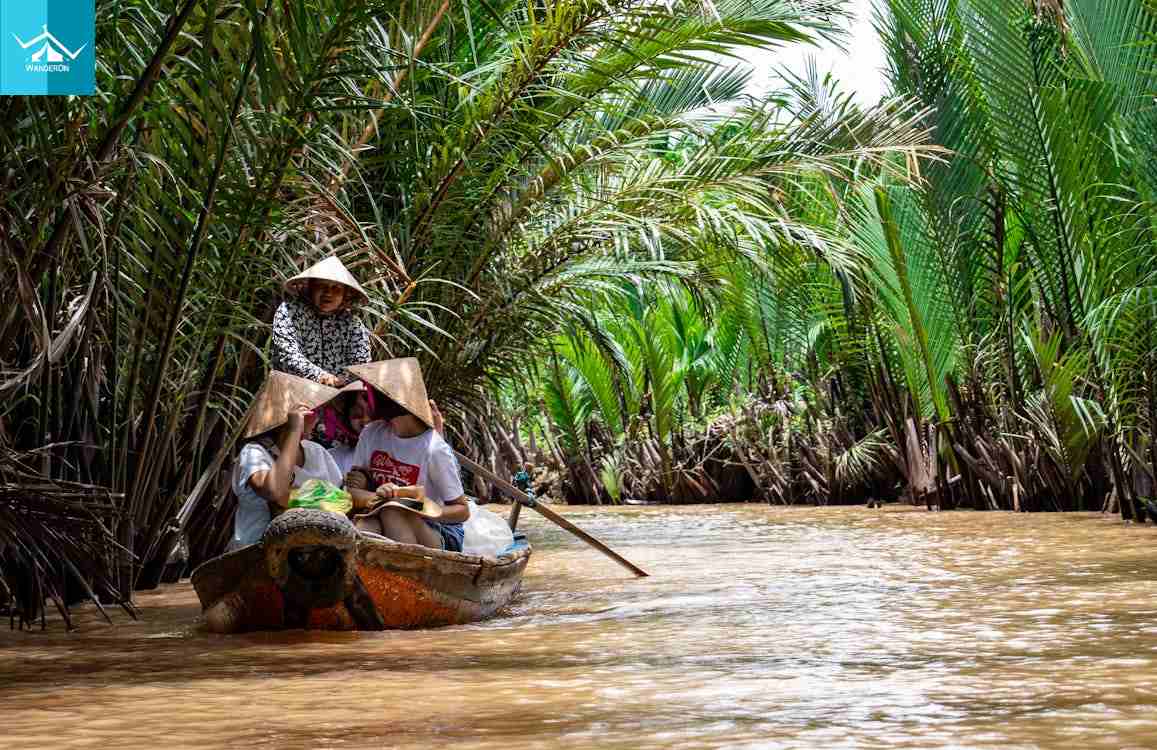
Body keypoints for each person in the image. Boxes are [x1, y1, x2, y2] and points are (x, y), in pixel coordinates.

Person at [343, 358, 470, 552]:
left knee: (392, 511)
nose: (369, 400)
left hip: (439, 530)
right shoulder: (371, 433)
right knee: (366, 526)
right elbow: (353, 490)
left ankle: (409, 574)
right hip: (381, 514)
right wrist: (381, 496)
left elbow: (462, 510)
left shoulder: (434, 449)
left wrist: (417, 506)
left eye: (374, 393)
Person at [227, 372, 345, 551]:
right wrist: (294, 429)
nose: (318, 419)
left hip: (315, 550)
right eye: (314, 412)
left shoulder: (316, 451)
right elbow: (274, 490)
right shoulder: (254, 452)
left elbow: (341, 499)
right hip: (256, 552)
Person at [271, 255, 371, 387]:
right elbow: (287, 356)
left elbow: (361, 366)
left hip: (340, 395)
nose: (328, 293)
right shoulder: (290, 311)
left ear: (345, 295)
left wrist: (343, 384)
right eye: (321, 286)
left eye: (336, 288)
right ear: (311, 288)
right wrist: (322, 377)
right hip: (294, 390)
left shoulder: (352, 324)